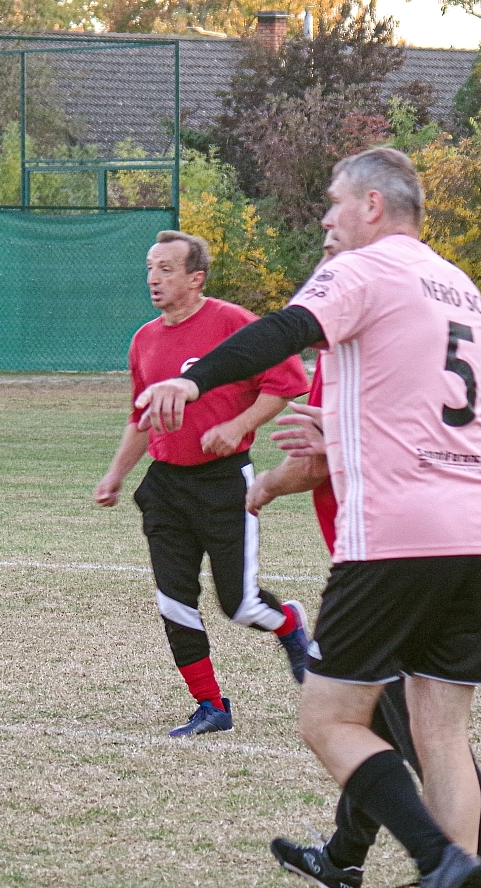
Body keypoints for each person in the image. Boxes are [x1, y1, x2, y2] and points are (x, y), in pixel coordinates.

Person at [136, 147, 481, 888]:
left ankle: (440, 864)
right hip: (475, 528)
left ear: (374, 205)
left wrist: (195, 379)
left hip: (399, 532)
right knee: (441, 733)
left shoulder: (368, 268)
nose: (326, 218)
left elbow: (283, 331)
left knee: (328, 719)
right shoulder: (459, 285)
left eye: (336, 202)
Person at [251, 336, 481, 888]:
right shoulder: (450, 330)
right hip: (470, 539)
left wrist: (262, 487)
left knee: (347, 717)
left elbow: (317, 463)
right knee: (421, 726)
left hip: (388, 551)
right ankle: (355, 863)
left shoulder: (358, 347)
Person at [95, 230, 313, 737]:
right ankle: (211, 706)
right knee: (174, 602)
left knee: (241, 605)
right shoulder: (144, 339)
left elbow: (286, 382)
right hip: (165, 488)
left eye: (166, 269)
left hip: (224, 483)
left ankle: (289, 623)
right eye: (150, 268)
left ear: (196, 278)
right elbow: (141, 416)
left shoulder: (233, 323)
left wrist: (239, 426)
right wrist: (115, 475)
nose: (153, 278)